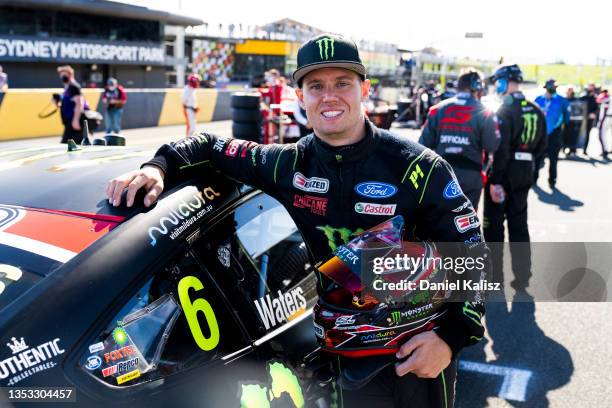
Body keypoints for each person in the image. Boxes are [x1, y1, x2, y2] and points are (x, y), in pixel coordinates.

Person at [107, 33, 488, 407]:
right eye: (316, 85)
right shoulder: (288, 164)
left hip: (417, 351)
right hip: (345, 352)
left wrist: (451, 340)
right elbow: (208, 146)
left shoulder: (418, 167)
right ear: (300, 96)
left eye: (343, 83)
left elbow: (474, 253)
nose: (329, 96)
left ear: (365, 89)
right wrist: (158, 167)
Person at [484, 64, 546, 292]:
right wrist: (533, 171)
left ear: (505, 81)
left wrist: (495, 180)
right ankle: (522, 277)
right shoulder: (536, 109)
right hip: (525, 171)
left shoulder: (504, 109)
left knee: (493, 227)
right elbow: (543, 147)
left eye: (497, 81)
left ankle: (494, 277)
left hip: (504, 172)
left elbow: (500, 150)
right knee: (519, 225)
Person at [419, 68, 500, 210]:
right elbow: (492, 145)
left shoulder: (437, 109)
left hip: (442, 174)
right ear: (477, 87)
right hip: (470, 176)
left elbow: (422, 145)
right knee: (467, 226)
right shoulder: (485, 111)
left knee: (439, 224)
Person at [534, 78, 569, 189]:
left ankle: (552, 180)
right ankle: (533, 179)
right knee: (537, 158)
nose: (552, 89)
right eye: (550, 87)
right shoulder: (539, 99)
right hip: (540, 134)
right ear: (546, 87)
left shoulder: (562, 101)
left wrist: (558, 126)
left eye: (554, 87)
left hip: (555, 134)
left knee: (553, 159)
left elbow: (566, 118)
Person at [55, 65, 85, 144]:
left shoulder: (74, 87)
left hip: (73, 122)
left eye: (64, 75)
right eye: (61, 75)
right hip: (68, 122)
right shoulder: (67, 88)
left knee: (65, 145)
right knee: (76, 145)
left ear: (70, 75)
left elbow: (79, 104)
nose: (62, 77)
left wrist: (75, 121)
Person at [563, 86, 584, 156]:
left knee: (574, 136)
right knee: (566, 135)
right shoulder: (565, 99)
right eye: (568, 90)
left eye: (570, 90)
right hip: (567, 121)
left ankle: (573, 150)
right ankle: (565, 148)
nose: (569, 92)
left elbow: (580, 110)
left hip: (576, 121)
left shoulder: (576, 100)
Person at [597, 89, 611, 159]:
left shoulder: (607, 99)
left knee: (601, 135)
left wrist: (601, 122)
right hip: (608, 118)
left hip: (606, 118)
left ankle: (605, 151)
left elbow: (605, 110)